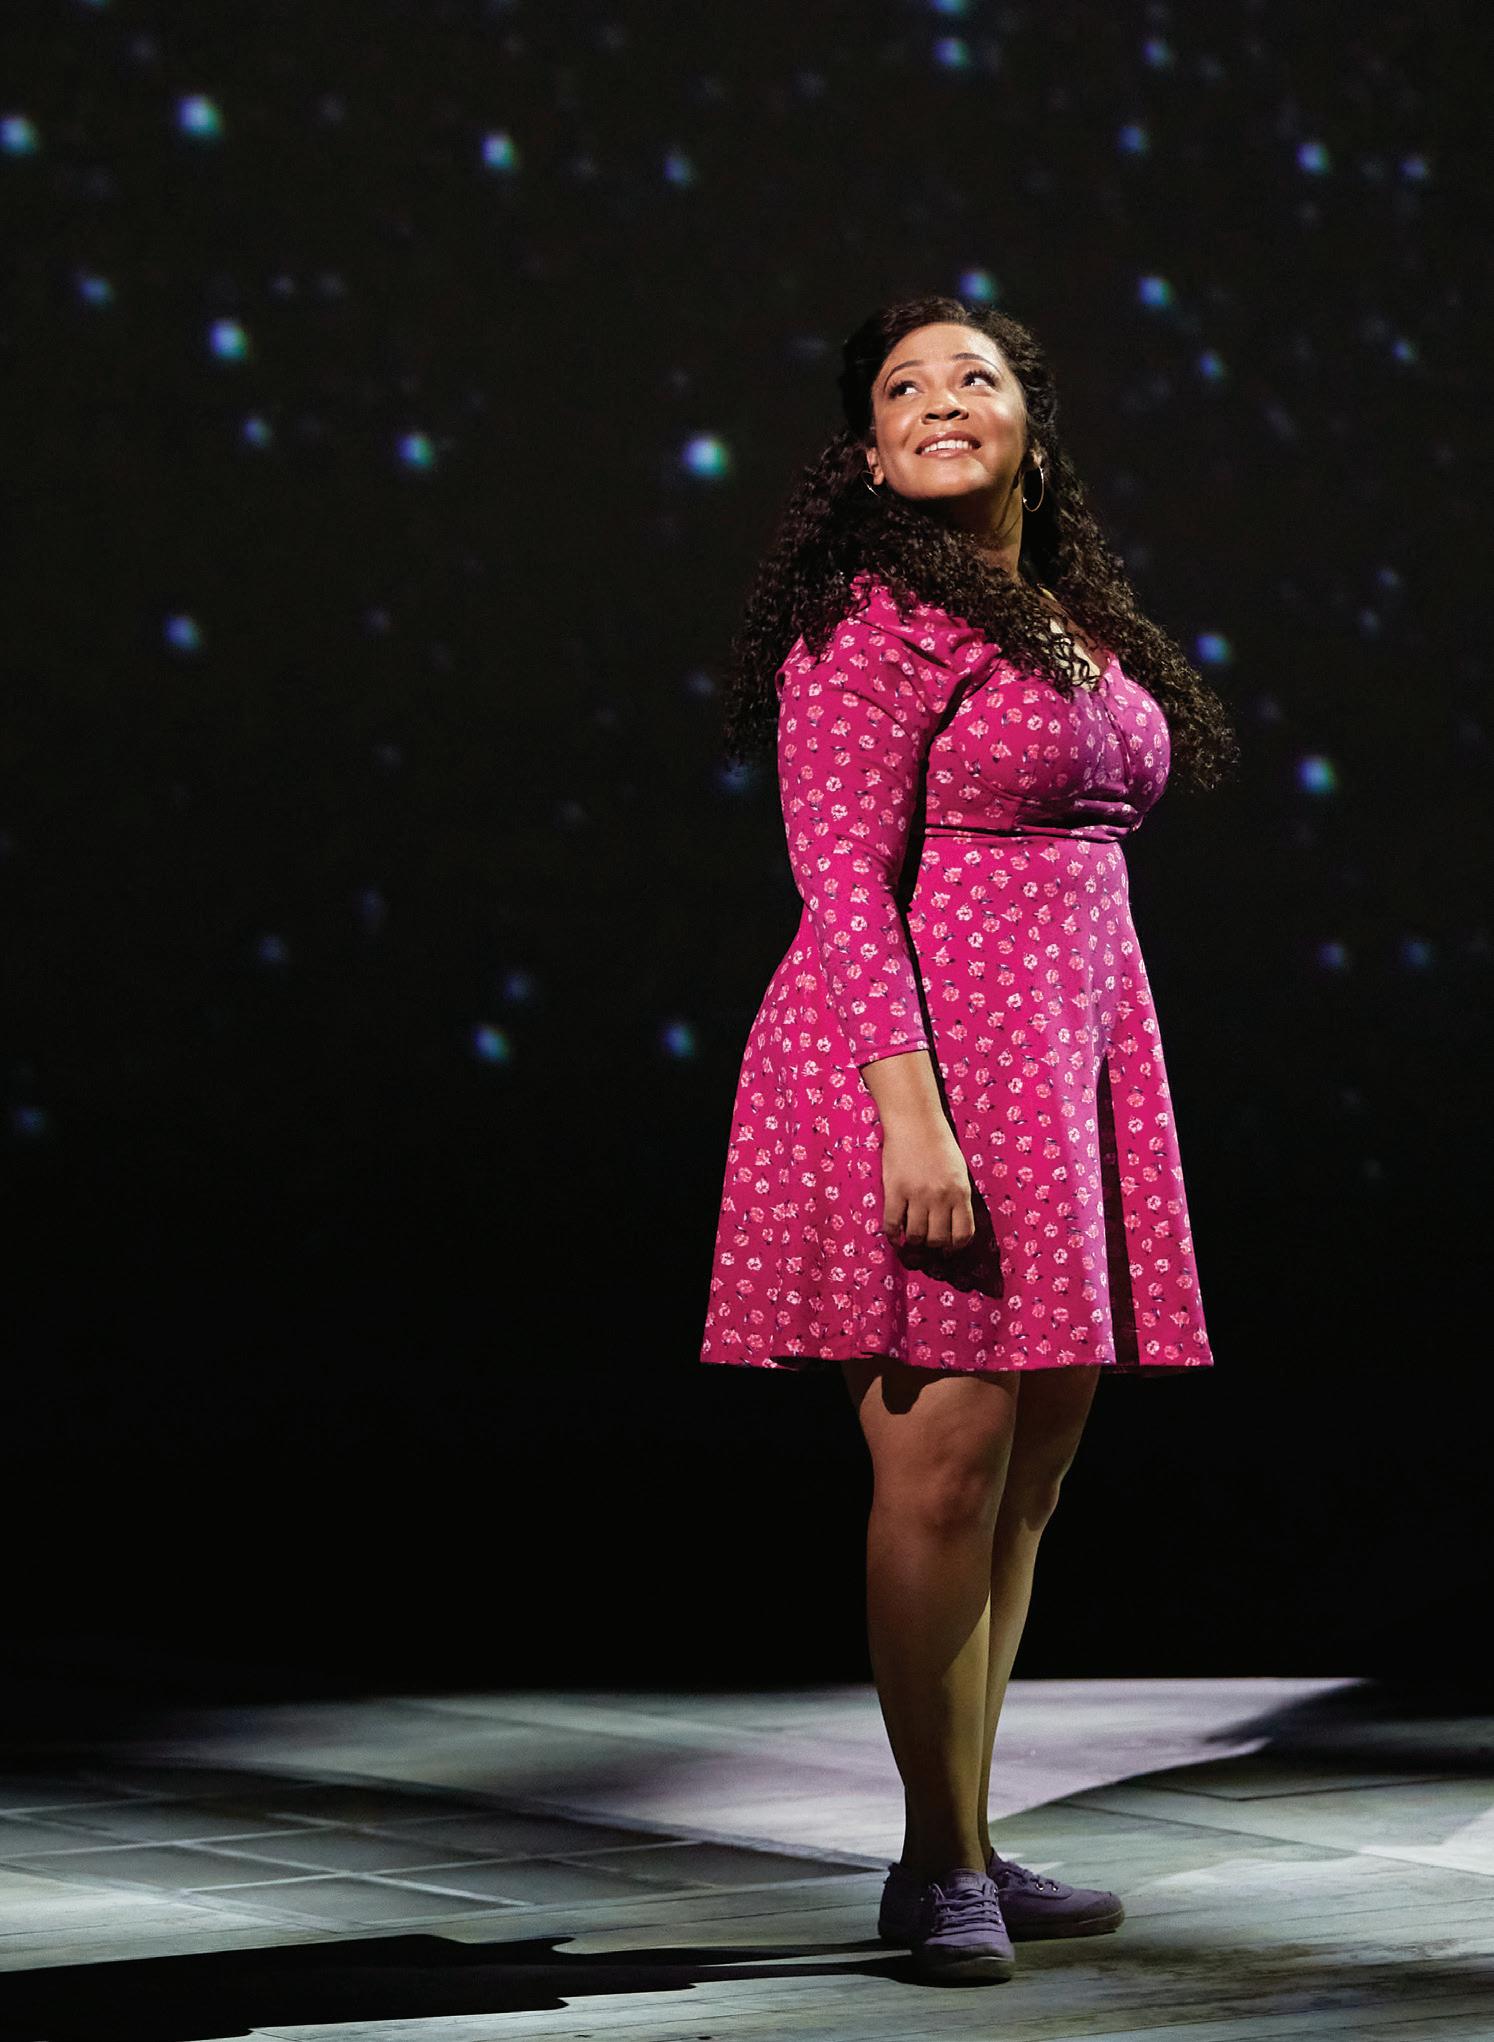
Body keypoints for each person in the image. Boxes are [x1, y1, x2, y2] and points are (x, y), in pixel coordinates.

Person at [698, 294, 1238, 1985]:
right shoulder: (865, 622)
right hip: (912, 1075)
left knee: (1026, 1484)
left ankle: (972, 1833)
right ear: (866, 453)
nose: (940, 399)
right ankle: (934, 1865)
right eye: (902, 387)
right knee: (939, 1479)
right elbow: (837, 882)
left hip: (1058, 1073)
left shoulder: (1064, 620)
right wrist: (909, 1119)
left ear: (1027, 425)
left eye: (974, 376)